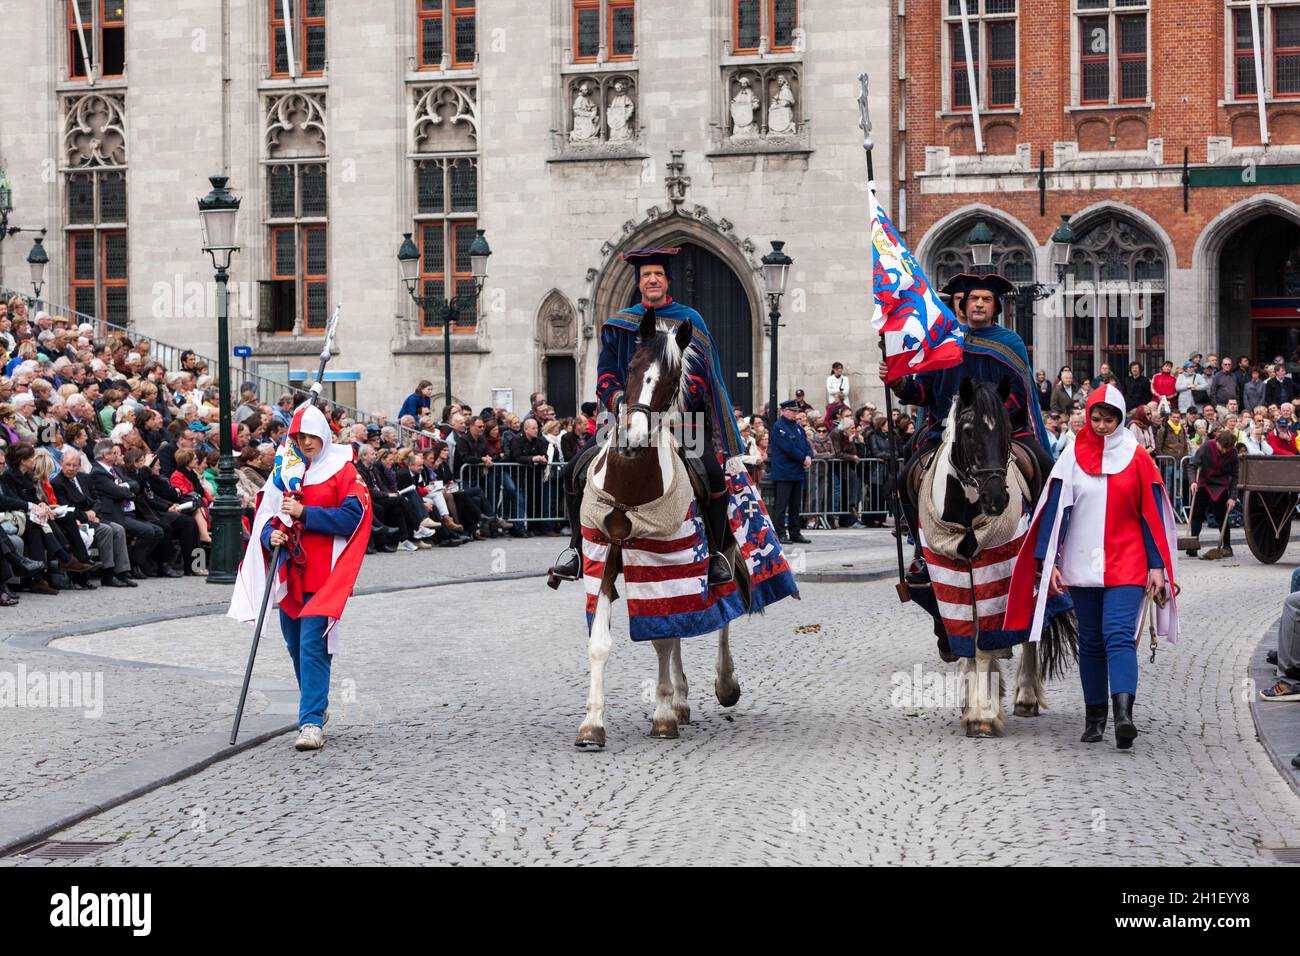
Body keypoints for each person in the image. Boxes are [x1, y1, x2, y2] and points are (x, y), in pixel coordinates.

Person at [549, 247, 746, 588]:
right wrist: (619, 401)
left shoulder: (690, 322)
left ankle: (715, 553)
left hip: (681, 420)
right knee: (573, 470)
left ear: (667, 281)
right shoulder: (618, 325)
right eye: (645, 276)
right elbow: (606, 374)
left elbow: (700, 376)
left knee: (712, 477)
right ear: (638, 283)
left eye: (657, 275)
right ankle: (576, 550)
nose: (651, 280)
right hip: (626, 418)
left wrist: (671, 405)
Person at [1006, 384, 1178, 751]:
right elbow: (1054, 512)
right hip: (1081, 563)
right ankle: (1094, 717)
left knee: (1118, 636)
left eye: (1108, 419)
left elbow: (1151, 517)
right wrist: (1049, 562)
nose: (1101, 425)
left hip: (1128, 562)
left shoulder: (1137, 457)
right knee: (1091, 642)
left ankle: (1123, 717)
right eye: (1096, 418)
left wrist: (1157, 566)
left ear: (1120, 419)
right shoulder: (1070, 456)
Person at [880, 272, 1054, 584]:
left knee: (1046, 467)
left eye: (986, 299)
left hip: (1004, 432)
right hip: (946, 432)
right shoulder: (943, 342)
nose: (979, 304)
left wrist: (993, 421)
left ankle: (1044, 548)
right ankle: (920, 552)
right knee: (907, 477)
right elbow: (924, 392)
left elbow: (1020, 390)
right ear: (962, 305)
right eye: (973, 299)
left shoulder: (1009, 342)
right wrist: (899, 383)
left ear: (995, 307)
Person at [228, 403, 373, 752]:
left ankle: (309, 721)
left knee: (313, 645)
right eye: (298, 437)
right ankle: (317, 705)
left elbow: (355, 516)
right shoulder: (287, 470)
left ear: (323, 435)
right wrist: (269, 537)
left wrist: (306, 512)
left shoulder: (343, 470)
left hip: (325, 573)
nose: (305, 442)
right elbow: (267, 516)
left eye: (310, 436)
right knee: (295, 645)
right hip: (292, 571)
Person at [1186, 428, 1239, 557]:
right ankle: (1193, 543)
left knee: (1222, 516)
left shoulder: (1233, 452)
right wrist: (1193, 481)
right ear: (1218, 442)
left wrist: (1232, 497)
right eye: (1223, 448)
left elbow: (1235, 476)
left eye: (1228, 449)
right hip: (1204, 482)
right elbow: (1192, 465)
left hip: (1221, 485)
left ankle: (1227, 546)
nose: (1225, 451)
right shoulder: (1207, 446)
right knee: (1197, 514)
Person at [769, 399, 812, 544]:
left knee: (795, 505)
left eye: (796, 411)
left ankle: (795, 532)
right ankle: (780, 533)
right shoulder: (779, 427)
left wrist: (808, 456)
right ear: (784, 411)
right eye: (792, 411)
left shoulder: (797, 427)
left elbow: (806, 444)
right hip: (784, 472)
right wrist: (803, 458)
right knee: (781, 506)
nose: (795, 414)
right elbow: (788, 447)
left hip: (797, 472)